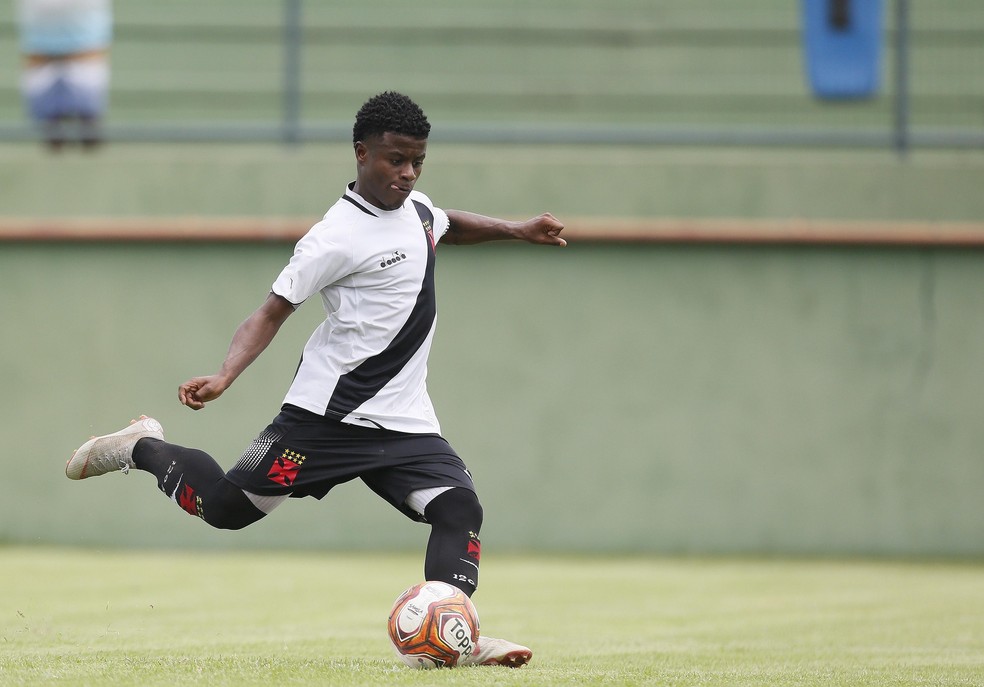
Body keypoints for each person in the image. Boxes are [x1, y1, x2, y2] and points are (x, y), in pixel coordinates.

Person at [66, 91, 565, 668]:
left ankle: (454, 631)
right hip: (323, 421)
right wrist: (227, 374)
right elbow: (271, 310)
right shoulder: (334, 237)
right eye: (395, 159)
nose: (407, 173)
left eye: (417, 162)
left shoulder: (419, 210)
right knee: (227, 509)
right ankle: (140, 446)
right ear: (361, 153)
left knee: (459, 509)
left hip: (404, 421)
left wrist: (518, 229)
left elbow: (450, 226)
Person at [16, 0, 112, 150]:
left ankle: (87, 126)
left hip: (85, 46)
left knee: (88, 120)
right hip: (40, 45)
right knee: (51, 125)